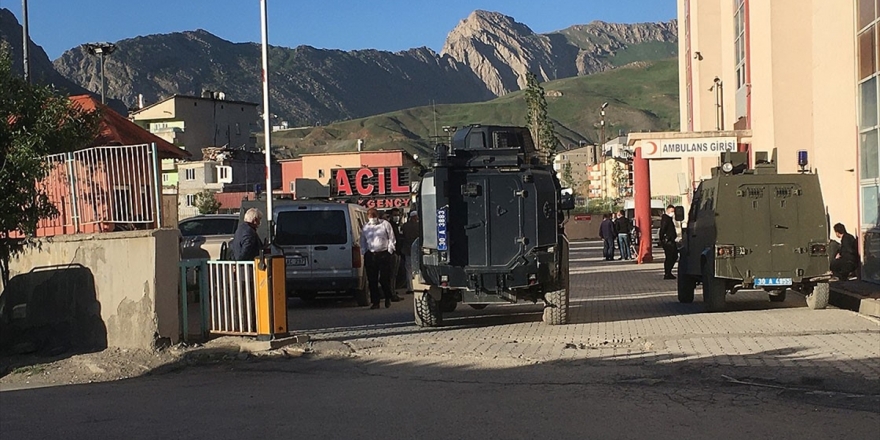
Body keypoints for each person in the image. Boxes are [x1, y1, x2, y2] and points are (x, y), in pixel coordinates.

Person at [360, 208, 402, 309]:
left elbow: (392, 238)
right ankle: (375, 302)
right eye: (371, 217)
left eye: (374, 217)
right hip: (371, 254)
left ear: (377, 216)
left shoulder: (385, 224)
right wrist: (364, 252)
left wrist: (390, 250)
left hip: (384, 254)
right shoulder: (365, 228)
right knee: (372, 280)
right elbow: (363, 241)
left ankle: (388, 297)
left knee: (384, 279)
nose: (373, 219)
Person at [400, 211, 420, 294]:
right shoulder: (419, 225)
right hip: (417, 249)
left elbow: (402, 235)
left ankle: (410, 287)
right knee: (418, 267)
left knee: (408, 269)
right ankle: (418, 284)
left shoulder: (405, 226)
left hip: (407, 249)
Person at [659, 205, 678, 279]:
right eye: (672, 211)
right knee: (670, 257)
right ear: (668, 210)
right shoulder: (665, 219)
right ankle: (667, 273)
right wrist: (662, 238)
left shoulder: (669, 218)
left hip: (671, 240)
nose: (673, 213)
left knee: (673, 256)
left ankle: (668, 272)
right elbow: (663, 229)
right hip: (668, 241)